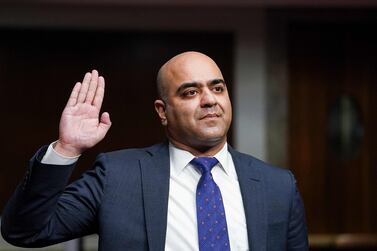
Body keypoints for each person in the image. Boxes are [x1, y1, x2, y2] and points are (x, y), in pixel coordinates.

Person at [1, 51, 308, 250]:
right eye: (190, 92)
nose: (209, 100)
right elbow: (25, 231)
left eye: (217, 88)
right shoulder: (117, 177)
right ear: (163, 111)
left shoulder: (278, 186)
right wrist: (66, 148)